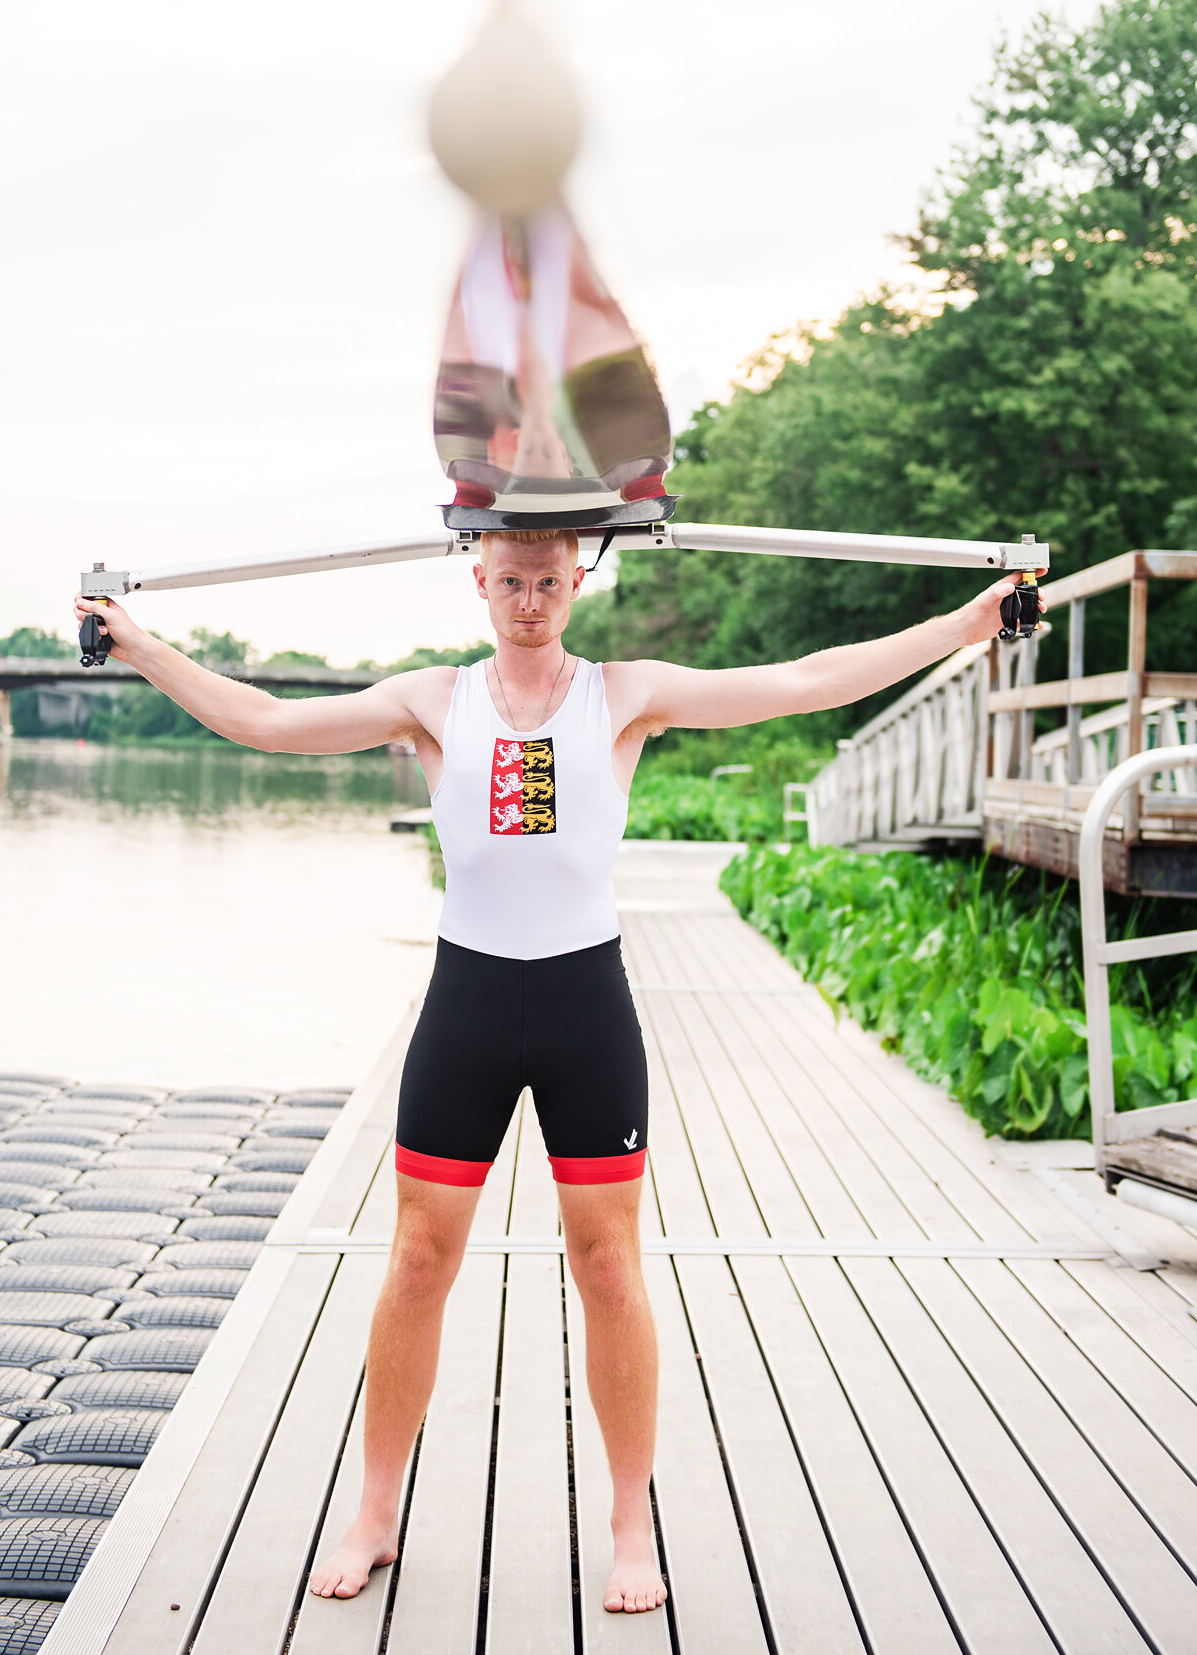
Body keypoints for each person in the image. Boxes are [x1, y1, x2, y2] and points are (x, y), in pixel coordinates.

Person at [74, 531, 1041, 1614]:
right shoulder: (432, 699)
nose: (527, 600)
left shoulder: (623, 694)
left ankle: (631, 1523)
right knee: (417, 1257)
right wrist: (137, 644)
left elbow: (802, 681)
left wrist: (965, 624)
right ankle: (375, 1511)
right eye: (509, 580)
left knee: (609, 1265)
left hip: (585, 1005)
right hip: (468, 1004)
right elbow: (266, 719)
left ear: (576, 580)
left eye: (546, 580)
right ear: (476, 579)